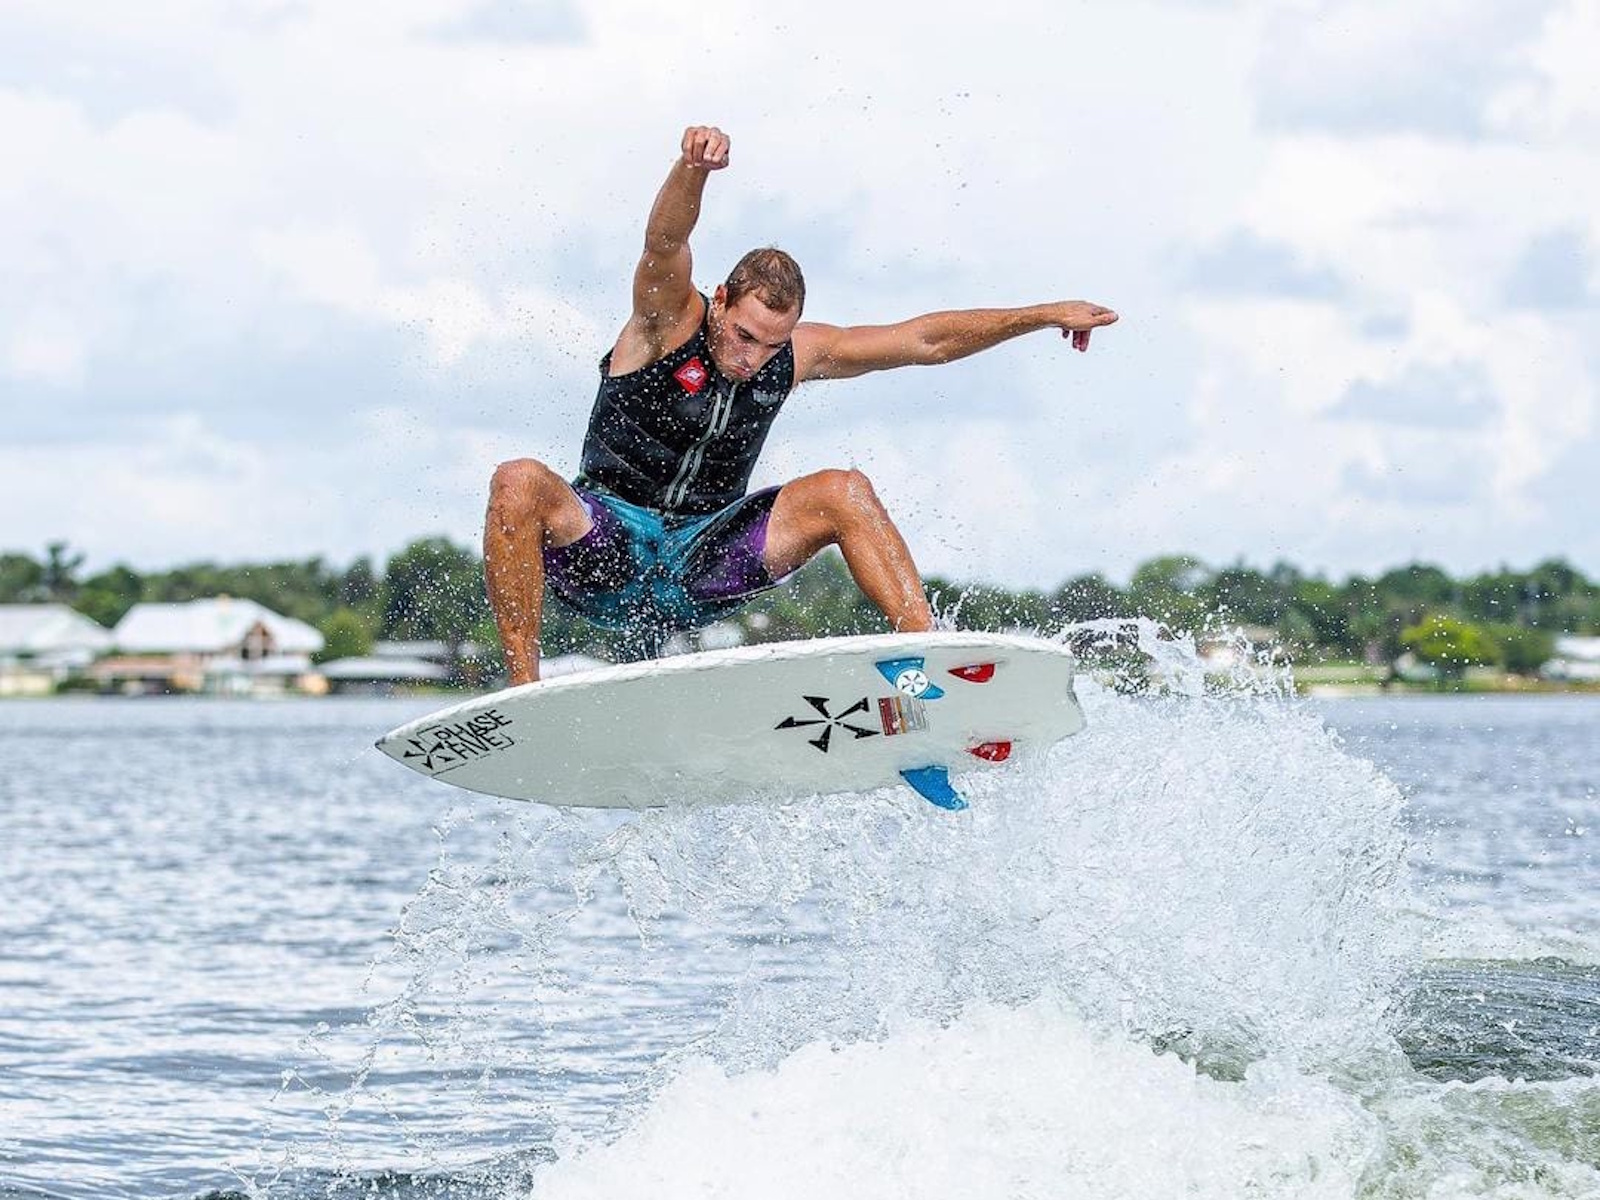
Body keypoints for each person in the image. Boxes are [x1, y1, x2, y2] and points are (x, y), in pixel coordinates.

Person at [485, 125, 1117, 684]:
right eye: (744, 335)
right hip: (604, 547)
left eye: (772, 344)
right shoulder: (665, 322)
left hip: (705, 557)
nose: (752, 358)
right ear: (721, 299)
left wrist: (1042, 315)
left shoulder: (795, 354)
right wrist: (693, 169)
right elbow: (663, 243)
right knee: (518, 480)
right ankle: (523, 694)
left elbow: (926, 341)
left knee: (844, 491)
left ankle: (930, 666)